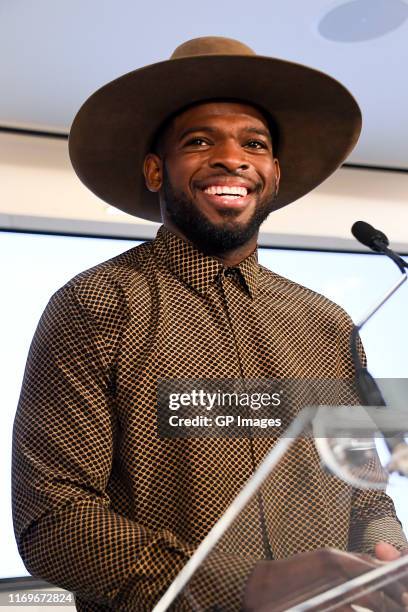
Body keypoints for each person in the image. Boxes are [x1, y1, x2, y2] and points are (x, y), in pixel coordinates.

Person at [12, 37, 408, 611]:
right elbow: (52, 517)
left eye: (255, 144)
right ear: (155, 170)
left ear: (274, 175)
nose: (232, 158)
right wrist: (245, 585)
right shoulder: (95, 305)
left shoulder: (327, 323)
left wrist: (385, 561)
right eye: (199, 142)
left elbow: (365, 495)